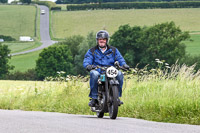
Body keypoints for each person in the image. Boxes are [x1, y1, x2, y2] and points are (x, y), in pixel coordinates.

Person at [83, 30, 129, 107]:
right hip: (98, 70)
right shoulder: (92, 51)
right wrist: (88, 65)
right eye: (100, 39)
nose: (102, 41)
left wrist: (124, 65)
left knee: (120, 74)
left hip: (110, 71)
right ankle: (94, 98)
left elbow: (120, 59)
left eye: (104, 39)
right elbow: (87, 60)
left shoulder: (114, 50)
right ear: (97, 40)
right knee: (93, 74)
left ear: (106, 40)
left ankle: (117, 97)